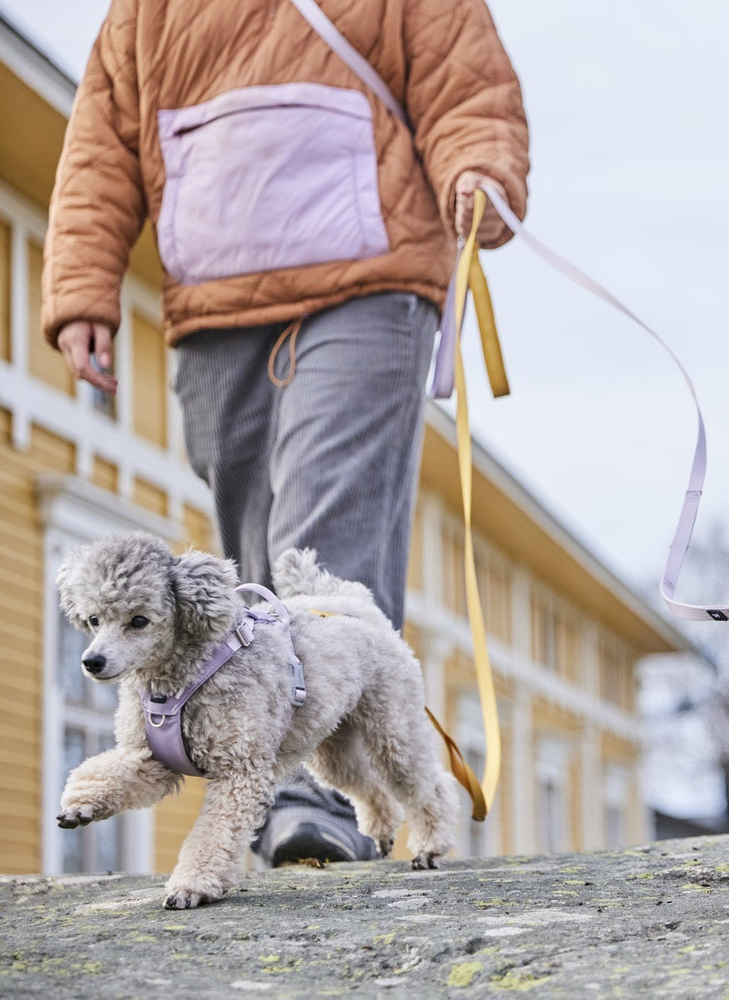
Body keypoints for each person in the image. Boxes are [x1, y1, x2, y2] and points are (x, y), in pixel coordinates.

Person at [42, 0, 530, 865]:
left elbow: (466, 80)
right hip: (215, 305)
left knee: (321, 531)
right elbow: (101, 141)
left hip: (370, 286)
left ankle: (315, 802)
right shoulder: (146, 11)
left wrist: (479, 169)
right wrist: (83, 285)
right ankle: (279, 773)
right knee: (241, 569)